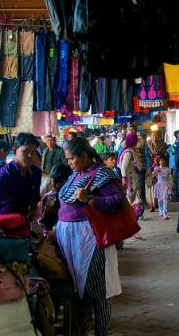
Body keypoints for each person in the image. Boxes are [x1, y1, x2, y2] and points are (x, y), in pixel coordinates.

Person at [56, 138, 124, 336]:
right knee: (81, 289)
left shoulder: (103, 174)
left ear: (85, 156)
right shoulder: (76, 174)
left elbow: (117, 201)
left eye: (72, 158)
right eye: (67, 159)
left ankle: (102, 331)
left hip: (91, 239)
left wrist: (90, 199)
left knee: (98, 290)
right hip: (72, 239)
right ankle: (83, 329)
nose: (69, 162)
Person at [0, 133, 42, 236]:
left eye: (33, 152)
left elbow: (35, 196)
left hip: (22, 223)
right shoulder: (5, 173)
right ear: (15, 150)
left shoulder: (36, 173)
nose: (30, 155)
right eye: (26, 151)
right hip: (4, 224)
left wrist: (33, 210)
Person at [37, 163, 73, 236]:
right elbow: (44, 221)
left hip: (62, 232)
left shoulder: (71, 195)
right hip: (53, 234)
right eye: (61, 181)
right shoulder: (50, 197)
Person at [119, 132, 144, 220]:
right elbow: (124, 166)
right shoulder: (128, 152)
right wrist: (124, 178)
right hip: (131, 182)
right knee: (132, 203)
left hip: (133, 180)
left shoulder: (130, 151)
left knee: (134, 202)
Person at [145, 130, 168, 212]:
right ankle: (152, 205)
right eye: (153, 135)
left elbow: (166, 155)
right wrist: (150, 166)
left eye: (156, 135)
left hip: (161, 167)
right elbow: (146, 156)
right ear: (150, 136)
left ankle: (160, 203)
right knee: (150, 186)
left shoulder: (163, 145)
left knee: (160, 185)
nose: (154, 137)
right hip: (150, 167)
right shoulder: (147, 145)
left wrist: (160, 160)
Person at [153, 156, 173, 220]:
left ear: (166, 162)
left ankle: (165, 213)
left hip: (166, 186)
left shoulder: (168, 169)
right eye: (161, 161)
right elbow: (153, 174)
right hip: (159, 186)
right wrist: (155, 171)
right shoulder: (158, 168)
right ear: (159, 162)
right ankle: (161, 211)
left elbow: (170, 178)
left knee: (165, 199)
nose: (162, 162)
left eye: (164, 161)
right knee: (160, 200)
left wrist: (171, 185)